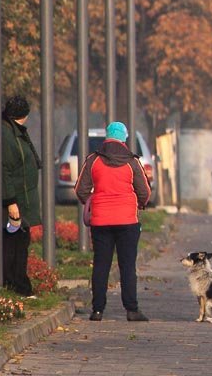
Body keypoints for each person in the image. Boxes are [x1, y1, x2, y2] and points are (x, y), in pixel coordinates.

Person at [75, 121, 151, 322]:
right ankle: (132, 310)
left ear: (106, 137)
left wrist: (91, 201)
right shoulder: (132, 162)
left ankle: (97, 310)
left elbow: (80, 189)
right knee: (127, 266)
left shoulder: (93, 160)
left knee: (101, 265)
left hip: (101, 222)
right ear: (124, 138)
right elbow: (145, 191)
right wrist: (139, 205)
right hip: (127, 221)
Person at [1, 95, 41, 297]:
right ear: (23, 115)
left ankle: (16, 283)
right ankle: (16, 285)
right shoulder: (7, 135)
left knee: (19, 241)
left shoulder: (14, 132)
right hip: (15, 202)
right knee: (14, 243)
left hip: (21, 199)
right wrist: (11, 202)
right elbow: (5, 170)